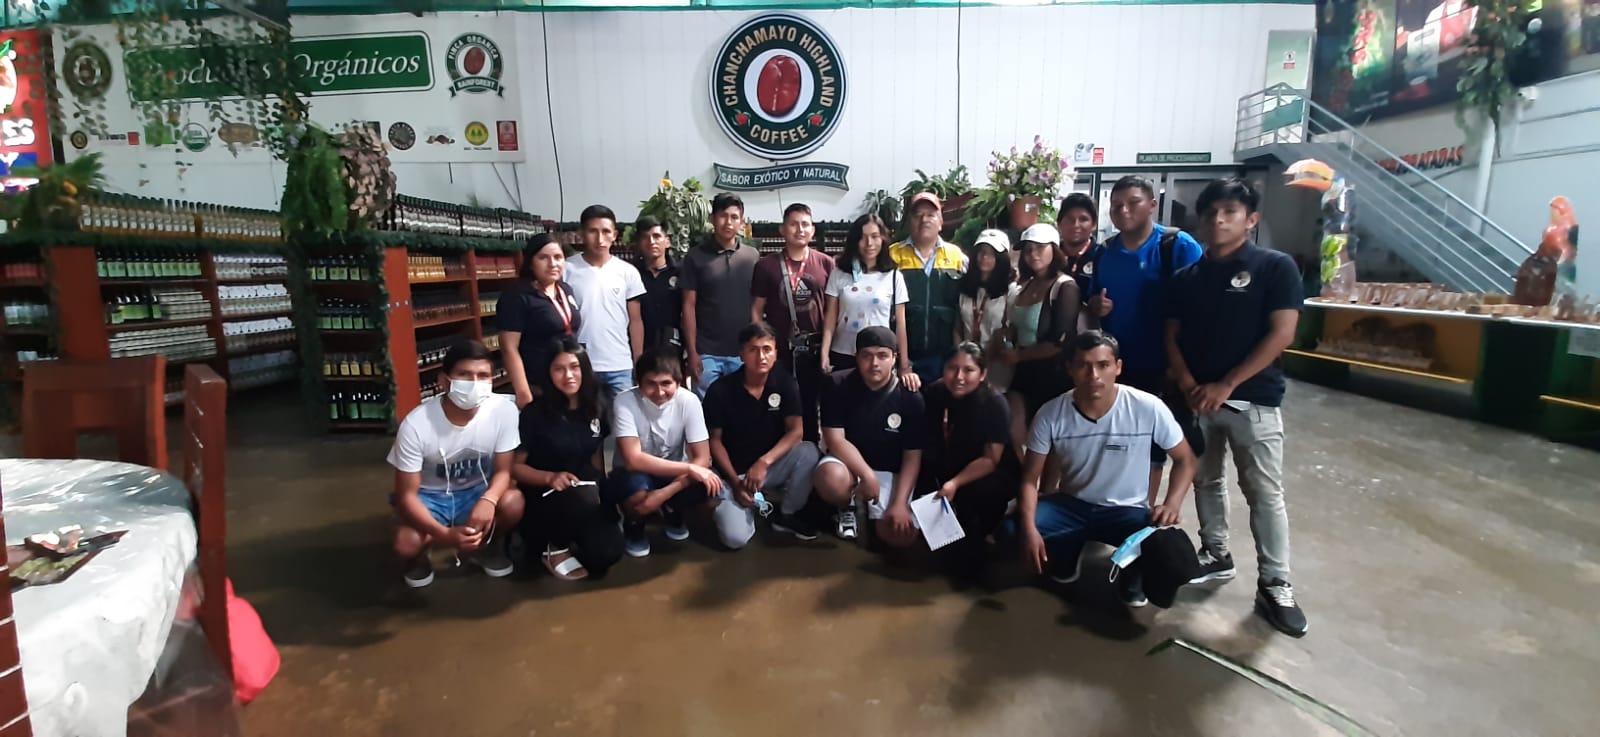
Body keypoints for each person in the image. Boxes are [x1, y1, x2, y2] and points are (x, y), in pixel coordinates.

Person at [1165, 177, 1308, 637]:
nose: (1219, 220)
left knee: (1264, 493)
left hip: (1254, 401)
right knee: (1206, 480)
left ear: (1251, 219)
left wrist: (1227, 383)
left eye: (1230, 212)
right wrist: (1190, 384)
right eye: (1210, 213)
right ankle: (1215, 552)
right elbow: (1171, 335)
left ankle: (1275, 583)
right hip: (1197, 400)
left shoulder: (1274, 268)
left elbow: (1282, 333)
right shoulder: (1187, 278)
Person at [1015, 331, 1197, 607]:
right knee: (1013, 530)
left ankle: (1134, 572)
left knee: (1171, 550)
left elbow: (1186, 460)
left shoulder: (1147, 407)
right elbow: (1029, 480)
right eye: (1083, 365)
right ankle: (1066, 554)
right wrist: (1029, 528)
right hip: (1072, 506)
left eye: (1103, 365)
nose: (1094, 375)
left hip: (1128, 512)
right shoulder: (1051, 413)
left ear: (1118, 367)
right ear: (1069, 369)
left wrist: (1171, 503)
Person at [1082, 176, 1202, 496]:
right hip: (1118, 366)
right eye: (1116, 205)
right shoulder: (1105, 252)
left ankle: (1143, 512)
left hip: (1165, 366)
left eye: (1133, 203)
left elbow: (1200, 307)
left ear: (1152, 206)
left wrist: (1183, 368)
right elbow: (1094, 301)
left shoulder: (1177, 246)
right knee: (1119, 438)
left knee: (1156, 444)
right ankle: (1118, 505)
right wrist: (1097, 304)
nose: (1123, 210)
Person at [386, 340, 525, 588]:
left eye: (483, 376)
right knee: (406, 542)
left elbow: (504, 471)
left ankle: (483, 546)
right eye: (465, 375)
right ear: (444, 381)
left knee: (513, 502)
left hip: (475, 492)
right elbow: (406, 496)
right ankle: (420, 556)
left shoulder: (504, 411)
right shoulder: (416, 425)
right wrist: (446, 536)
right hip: (428, 496)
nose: (474, 383)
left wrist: (488, 500)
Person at [511, 338, 624, 581]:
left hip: (584, 492)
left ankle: (576, 533)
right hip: (544, 494)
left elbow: (602, 451)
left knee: (607, 554)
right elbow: (515, 467)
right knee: (581, 498)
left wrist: (605, 483)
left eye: (575, 367)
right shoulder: (535, 413)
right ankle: (552, 546)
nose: (568, 375)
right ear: (548, 373)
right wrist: (549, 477)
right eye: (559, 369)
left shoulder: (598, 405)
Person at [704, 322, 823, 548]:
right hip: (734, 474)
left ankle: (786, 515)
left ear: (776, 352)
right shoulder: (720, 390)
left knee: (808, 451)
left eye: (767, 349)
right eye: (753, 350)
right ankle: (724, 502)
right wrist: (734, 482)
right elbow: (714, 441)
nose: (761, 356)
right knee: (734, 540)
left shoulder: (785, 383)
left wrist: (764, 462)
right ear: (741, 354)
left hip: (768, 468)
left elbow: (796, 431)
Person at [813, 326, 925, 545]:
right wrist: (866, 475)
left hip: (890, 473)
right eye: (866, 356)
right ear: (857, 357)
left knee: (901, 538)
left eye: (882, 356)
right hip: (850, 469)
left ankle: (876, 515)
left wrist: (900, 503)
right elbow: (835, 439)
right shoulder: (837, 384)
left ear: (894, 358)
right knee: (830, 477)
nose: (874, 364)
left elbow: (913, 455)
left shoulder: (911, 397)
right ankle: (847, 507)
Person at [607, 351, 724, 557]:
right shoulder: (624, 401)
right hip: (633, 473)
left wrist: (663, 494)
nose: (659, 392)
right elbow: (633, 460)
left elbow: (702, 457)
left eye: (666, 383)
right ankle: (634, 524)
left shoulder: (689, 401)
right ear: (638, 383)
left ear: (678, 382)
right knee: (638, 496)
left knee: (712, 490)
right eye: (651, 383)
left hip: (671, 473)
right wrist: (690, 468)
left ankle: (672, 510)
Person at [919, 343, 1017, 582]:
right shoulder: (934, 393)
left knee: (971, 549)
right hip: (947, 465)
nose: (959, 377)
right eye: (952, 368)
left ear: (982, 374)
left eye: (969, 370)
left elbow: (991, 459)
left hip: (984, 474)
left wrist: (954, 483)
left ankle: (987, 530)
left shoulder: (994, 403)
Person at [751, 203, 835, 441]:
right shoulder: (766, 266)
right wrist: (763, 346)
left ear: (813, 230)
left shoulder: (826, 263)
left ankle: (811, 451)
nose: (800, 229)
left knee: (813, 404)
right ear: (782, 230)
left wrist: (829, 347)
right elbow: (756, 310)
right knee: (779, 402)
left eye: (805, 224)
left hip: (816, 348)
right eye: (793, 224)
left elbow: (833, 309)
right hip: (781, 349)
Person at [1003, 223, 1080, 457]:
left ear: (1054, 250)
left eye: (1039, 248)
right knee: (1014, 431)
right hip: (1021, 373)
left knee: (1050, 442)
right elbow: (1015, 327)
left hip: (1053, 376)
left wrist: (1018, 355)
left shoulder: (1065, 287)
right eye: (1027, 250)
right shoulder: (1024, 285)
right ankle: (1026, 484)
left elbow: (1061, 341)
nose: (1032, 254)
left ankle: (1046, 491)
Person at [564, 204, 646, 401]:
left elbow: (635, 321)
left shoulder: (627, 272)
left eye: (605, 231)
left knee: (624, 423)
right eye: (593, 231)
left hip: (620, 365)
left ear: (614, 234)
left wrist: (639, 360)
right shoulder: (566, 270)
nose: (600, 239)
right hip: (580, 364)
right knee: (586, 424)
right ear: (581, 234)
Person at [683, 193, 761, 395]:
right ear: (712, 219)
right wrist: (692, 351)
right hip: (706, 353)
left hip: (743, 351)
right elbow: (688, 306)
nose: (728, 222)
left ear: (742, 222)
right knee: (708, 413)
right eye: (723, 216)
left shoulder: (752, 256)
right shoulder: (695, 256)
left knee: (741, 413)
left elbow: (757, 305)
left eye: (734, 217)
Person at [889, 191, 967, 390]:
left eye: (931, 214)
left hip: (945, 357)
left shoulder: (956, 256)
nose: (924, 220)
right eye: (918, 215)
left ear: (941, 222)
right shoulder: (892, 255)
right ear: (909, 221)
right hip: (905, 357)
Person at [821, 213, 911, 376]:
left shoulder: (894, 276)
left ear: (883, 238)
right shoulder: (839, 273)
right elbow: (830, 319)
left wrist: (904, 364)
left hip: (878, 358)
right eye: (863, 237)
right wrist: (824, 353)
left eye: (875, 236)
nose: (869, 243)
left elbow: (900, 325)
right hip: (843, 354)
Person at [498, 234, 581, 408]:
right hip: (538, 382)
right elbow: (509, 348)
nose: (552, 264)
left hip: (568, 379)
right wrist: (523, 391)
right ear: (530, 262)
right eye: (543, 258)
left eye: (558, 257)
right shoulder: (517, 296)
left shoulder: (565, 290)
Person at [955, 229, 1017, 392]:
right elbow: (957, 326)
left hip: (995, 365)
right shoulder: (965, 287)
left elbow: (1008, 330)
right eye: (981, 252)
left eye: (991, 253)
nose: (984, 257)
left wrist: (985, 362)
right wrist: (961, 357)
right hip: (965, 365)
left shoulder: (1010, 290)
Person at [635, 216, 683, 356]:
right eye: (645, 237)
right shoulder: (631, 274)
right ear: (639, 243)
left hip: (673, 347)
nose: (651, 242)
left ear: (667, 241)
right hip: (640, 348)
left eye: (656, 236)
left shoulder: (681, 272)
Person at [1057, 192, 1099, 281]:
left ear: (1094, 225)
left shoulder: (1102, 257)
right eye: (1070, 219)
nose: (1076, 225)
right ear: (1059, 224)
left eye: (1083, 219)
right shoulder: (1050, 256)